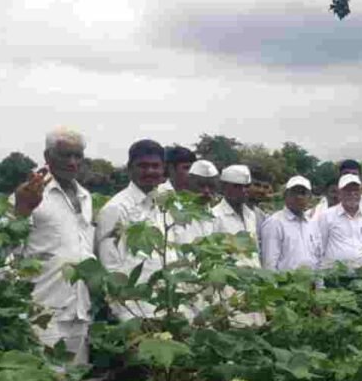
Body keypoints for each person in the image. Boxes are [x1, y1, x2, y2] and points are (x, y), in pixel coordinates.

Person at [12, 128, 94, 365]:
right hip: (44, 310)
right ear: (47, 156)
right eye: (65, 155)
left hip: (80, 310)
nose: (72, 162)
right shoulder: (30, 194)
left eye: (78, 156)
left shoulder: (85, 196)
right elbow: (11, 248)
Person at [96, 139, 176, 320]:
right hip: (138, 315)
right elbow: (111, 269)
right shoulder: (116, 209)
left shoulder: (163, 205)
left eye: (155, 166)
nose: (150, 171)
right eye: (143, 166)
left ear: (163, 169)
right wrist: (125, 317)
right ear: (129, 168)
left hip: (168, 310)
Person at [317, 173, 362, 269]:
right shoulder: (326, 216)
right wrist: (320, 282)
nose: (352, 193)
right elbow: (319, 249)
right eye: (347, 190)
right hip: (335, 277)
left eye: (356, 190)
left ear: (361, 192)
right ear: (340, 193)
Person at [261, 176, 321, 271]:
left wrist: (319, 285)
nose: (299, 197)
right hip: (286, 284)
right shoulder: (275, 223)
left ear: (309, 197)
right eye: (294, 192)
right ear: (285, 195)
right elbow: (269, 263)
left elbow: (317, 258)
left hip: (310, 283)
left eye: (303, 193)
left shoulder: (312, 224)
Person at [212, 165, 262, 265]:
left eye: (246, 186)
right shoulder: (215, 216)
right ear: (224, 187)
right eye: (237, 186)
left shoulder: (251, 215)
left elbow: (255, 251)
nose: (243, 190)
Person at [170, 160, 220, 245]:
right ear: (188, 182)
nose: (206, 191)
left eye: (211, 186)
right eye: (201, 185)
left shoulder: (217, 216)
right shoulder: (173, 212)